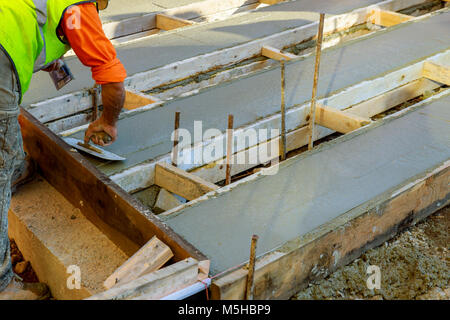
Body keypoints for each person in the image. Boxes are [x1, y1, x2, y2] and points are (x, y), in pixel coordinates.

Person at [0, 0, 126, 299]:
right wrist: (108, 122)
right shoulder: (79, 7)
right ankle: (3, 286)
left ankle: (17, 169)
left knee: (8, 152)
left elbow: (25, 19)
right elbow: (112, 77)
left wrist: (45, 56)